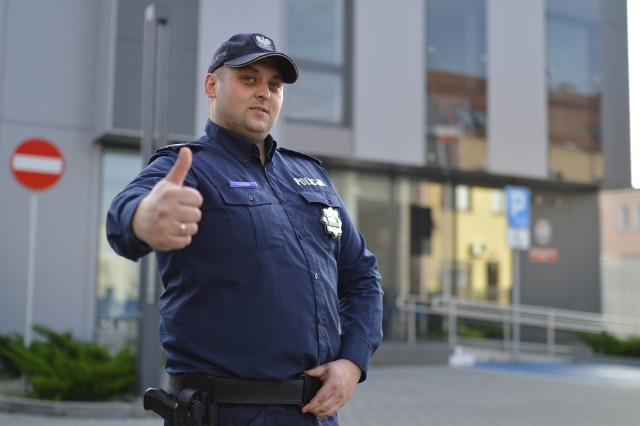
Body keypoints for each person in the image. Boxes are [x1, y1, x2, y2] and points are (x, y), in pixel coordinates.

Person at [107, 32, 383, 426]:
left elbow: (361, 275)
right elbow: (124, 216)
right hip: (227, 413)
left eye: (274, 85)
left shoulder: (311, 175)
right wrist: (142, 218)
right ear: (212, 84)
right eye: (249, 79)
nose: (264, 93)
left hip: (316, 414)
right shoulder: (190, 167)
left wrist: (353, 360)